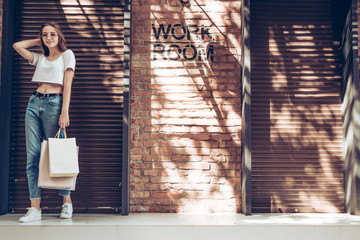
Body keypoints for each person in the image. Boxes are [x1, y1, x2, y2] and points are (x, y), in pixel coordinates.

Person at [13, 22, 76, 223]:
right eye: (45, 35)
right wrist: (38, 40)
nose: (49, 38)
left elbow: (67, 85)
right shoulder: (40, 58)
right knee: (32, 157)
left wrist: (64, 111)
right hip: (33, 103)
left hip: (54, 104)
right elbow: (17, 46)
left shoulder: (67, 55)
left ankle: (66, 202)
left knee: (57, 154)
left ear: (59, 36)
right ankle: (35, 208)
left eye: (52, 34)